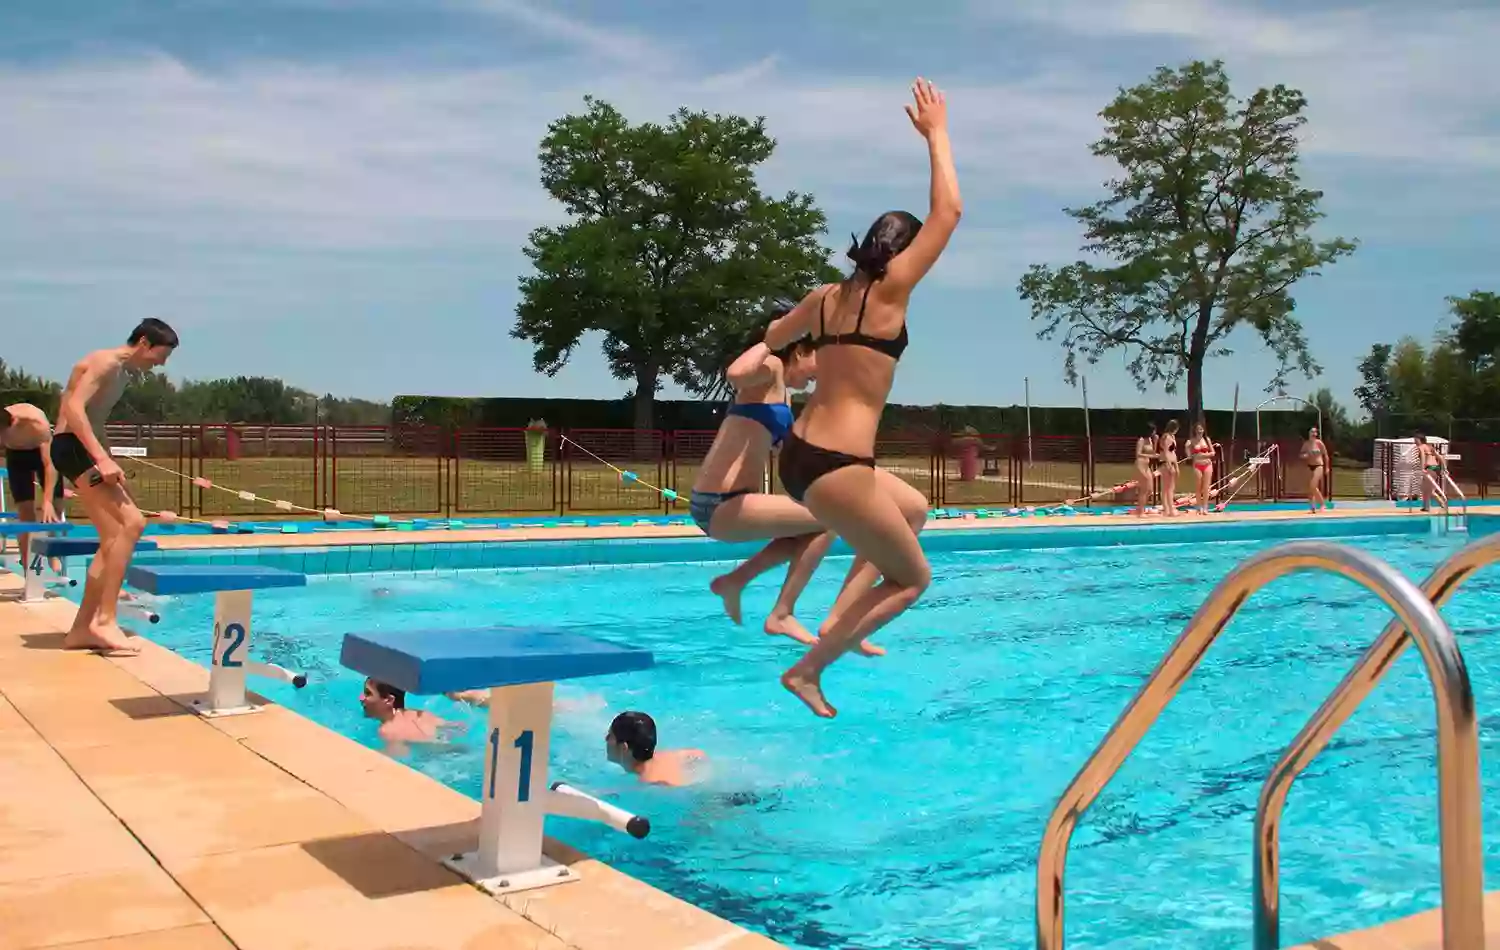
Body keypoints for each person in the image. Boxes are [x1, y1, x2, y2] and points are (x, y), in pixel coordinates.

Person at [761, 77, 961, 718]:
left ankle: (843, 621)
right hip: (839, 469)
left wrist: (804, 343)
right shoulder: (891, 292)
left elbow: (771, 336)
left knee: (915, 508)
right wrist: (937, 135)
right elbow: (949, 212)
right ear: (899, 255)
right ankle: (810, 669)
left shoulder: (826, 297)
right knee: (913, 578)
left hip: (798, 454)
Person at [696, 327, 886, 654]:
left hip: (736, 503)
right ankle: (782, 613)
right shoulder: (770, 367)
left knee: (812, 526)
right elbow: (736, 374)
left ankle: (736, 581)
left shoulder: (782, 394)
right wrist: (773, 340)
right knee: (828, 521)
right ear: (798, 351)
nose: (819, 372)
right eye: (817, 359)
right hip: (720, 503)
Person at [51, 318, 178, 653]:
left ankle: (82, 629)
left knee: (112, 539)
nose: (160, 364)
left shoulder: (123, 372)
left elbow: (94, 420)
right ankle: (105, 620)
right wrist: (100, 459)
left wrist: (107, 457)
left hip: (81, 448)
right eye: (159, 356)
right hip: (72, 446)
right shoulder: (105, 362)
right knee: (132, 523)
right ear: (143, 343)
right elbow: (73, 409)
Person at [1, 402, 65, 575]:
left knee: (54, 510)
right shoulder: (4, 425)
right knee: (25, 513)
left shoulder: (36, 424)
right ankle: (27, 565)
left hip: (41, 454)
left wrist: (47, 500)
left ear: (13, 423)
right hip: (17, 457)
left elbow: (49, 465)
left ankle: (52, 553)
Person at [606, 711, 706, 787]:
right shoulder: (667, 757)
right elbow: (699, 754)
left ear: (624, 748)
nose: (605, 739)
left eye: (609, 736)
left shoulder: (652, 783)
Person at [360, 678, 451, 749]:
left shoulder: (388, 730)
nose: (361, 698)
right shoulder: (420, 713)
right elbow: (456, 727)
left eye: (368, 693)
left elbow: (399, 756)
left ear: (389, 700)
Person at [1186, 421, 1216, 515]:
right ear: (1195, 430)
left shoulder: (1207, 439)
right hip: (1197, 465)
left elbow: (1213, 453)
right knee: (1198, 486)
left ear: (1203, 430)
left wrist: (1200, 455)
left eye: (1201, 429)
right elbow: (1189, 456)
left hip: (1207, 464)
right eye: (1198, 429)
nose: (1200, 431)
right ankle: (1199, 507)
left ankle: (1205, 507)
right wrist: (1187, 448)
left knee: (1206, 487)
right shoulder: (1191, 441)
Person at [1300, 425, 1329, 514]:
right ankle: (1312, 507)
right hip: (1310, 466)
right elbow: (1301, 454)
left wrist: (1327, 467)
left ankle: (1323, 504)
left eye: (1315, 432)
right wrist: (1305, 456)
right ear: (1309, 433)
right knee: (1311, 488)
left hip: (1319, 465)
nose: (1314, 433)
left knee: (1313, 486)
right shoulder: (1306, 444)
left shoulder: (1319, 443)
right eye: (1312, 432)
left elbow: (1326, 455)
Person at [1414, 432, 1444, 512]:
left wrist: (1422, 468)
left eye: (1416, 440)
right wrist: (1444, 468)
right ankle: (1426, 507)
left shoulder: (1421, 447)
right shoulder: (1430, 447)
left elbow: (1423, 457)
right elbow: (1440, 457)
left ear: (1420, 440)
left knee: (1427, 489)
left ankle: (1441, 502)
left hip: (1429, 468)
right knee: (1426, 489)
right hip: (1436, 468)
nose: (1415, 442)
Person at [1134, 422, 1159, 518]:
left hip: (1147, 465)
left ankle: (1140, 508)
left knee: (1149, 489)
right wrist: (1151, 456)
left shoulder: (1150, 440)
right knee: (1144, 489)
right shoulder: (1141, 440)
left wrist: (1156, 441)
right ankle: (1140, 512)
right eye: (1154, 430)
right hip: (1140, 464)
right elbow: (1138, 454)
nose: (1155, 432)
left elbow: (1153, 452)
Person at [1158, 419, 1180, 518]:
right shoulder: (1166, 437)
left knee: (1170, 487)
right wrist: (1169, 465)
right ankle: (1168, 509)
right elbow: (1166, 452)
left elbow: (1173, 453)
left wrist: (1176, 466)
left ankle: (1169, 508)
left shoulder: (1172, 437)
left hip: (1171, 462)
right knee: (1167, 488)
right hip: (1166, 463)